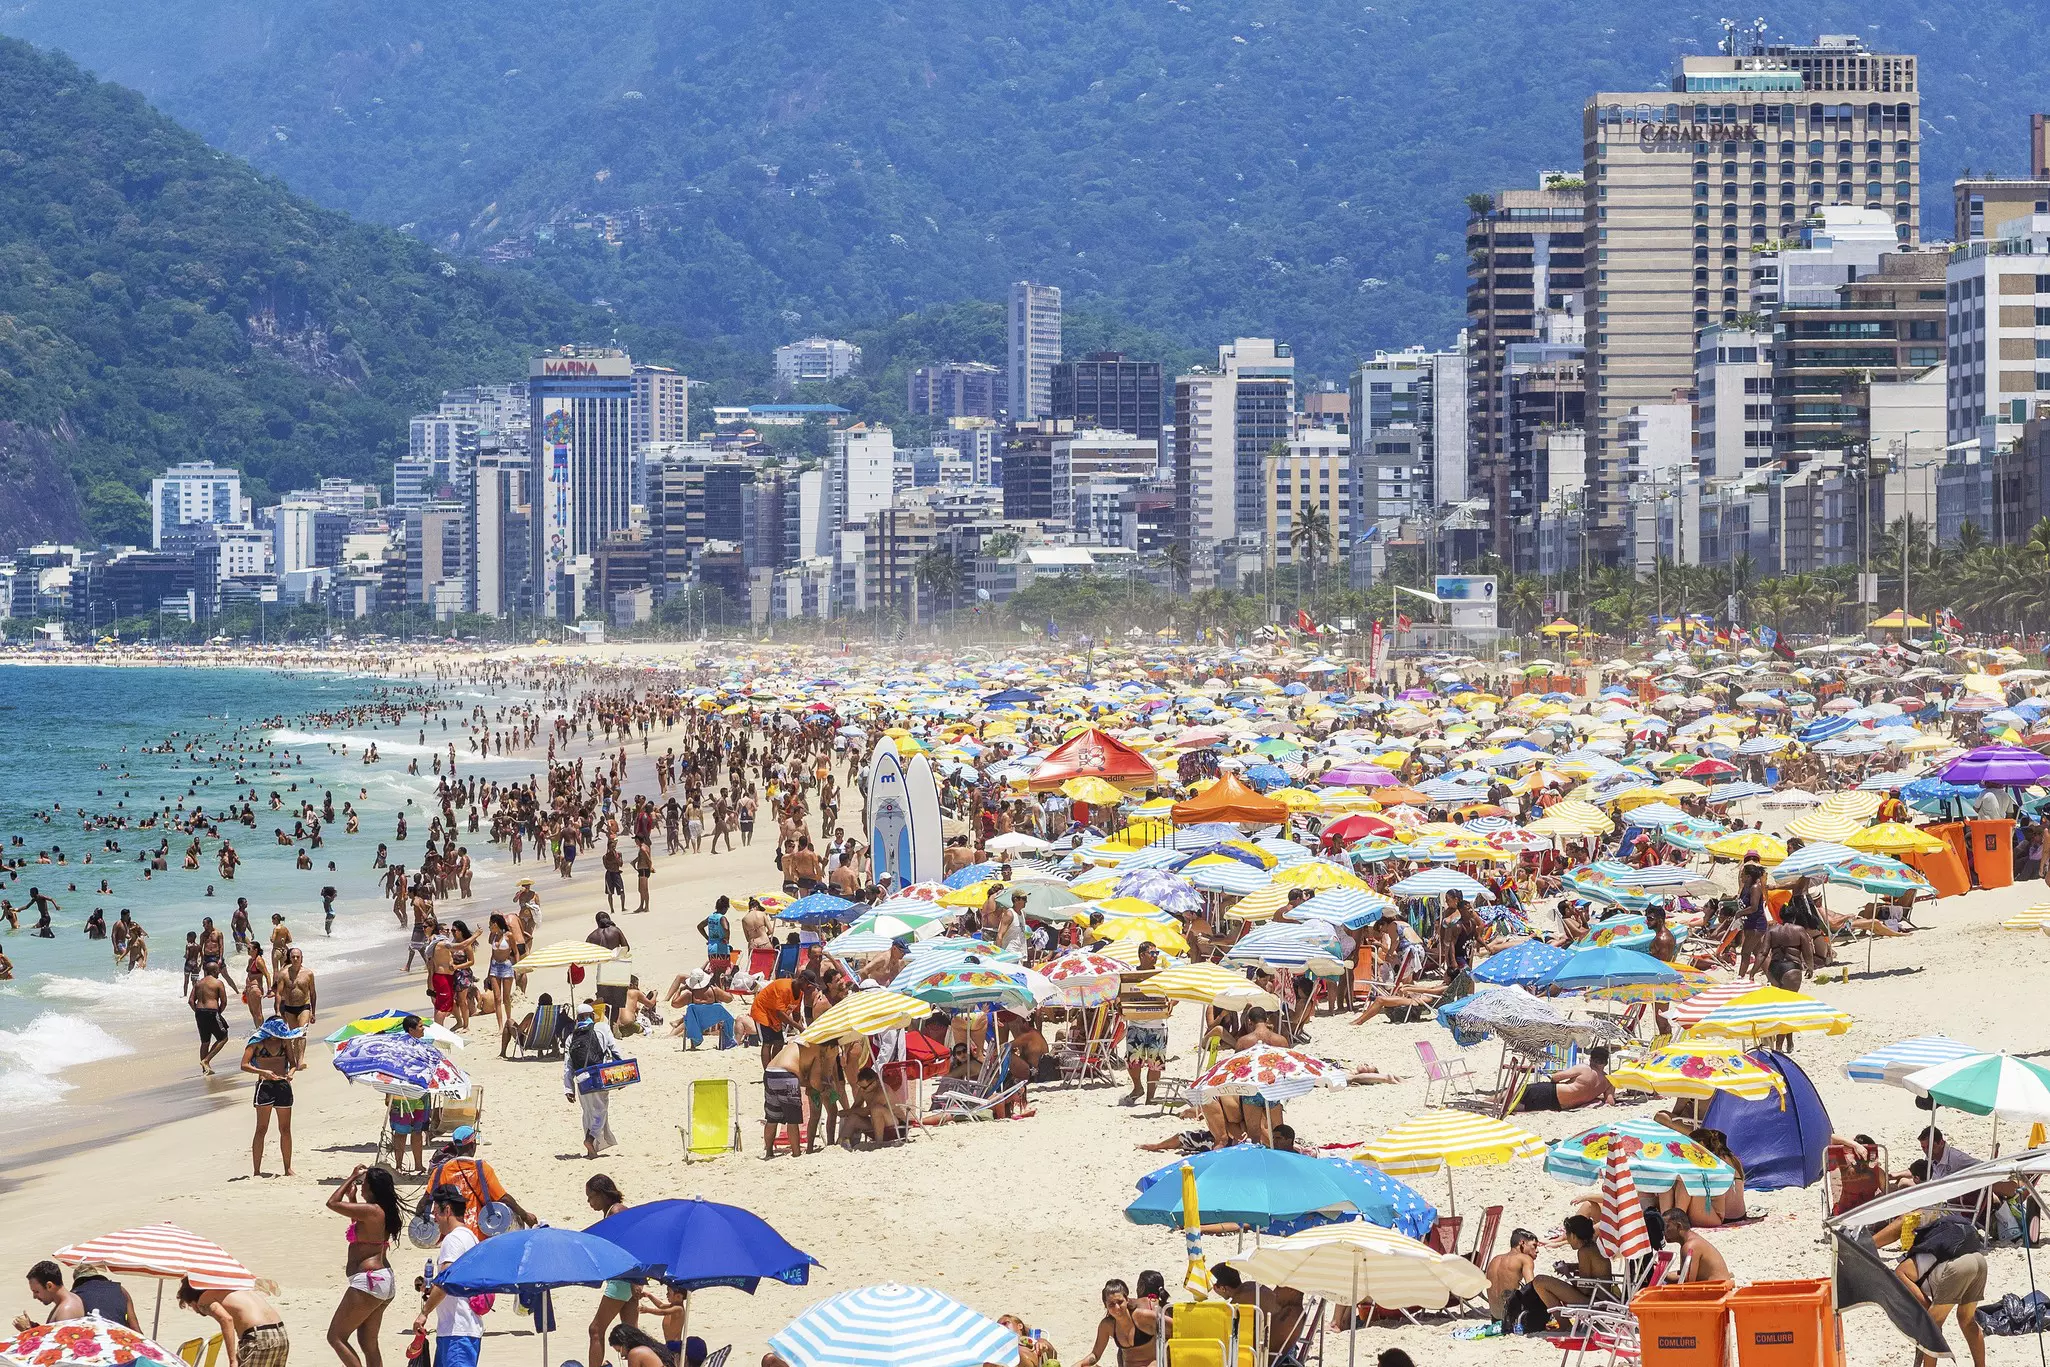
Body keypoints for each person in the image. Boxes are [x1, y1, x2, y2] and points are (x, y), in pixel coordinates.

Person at [1889, 1212, 1989, 1367]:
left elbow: (1902, 1277)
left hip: (1960, 1267)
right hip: (1979, 1260)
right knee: (1966, 1320)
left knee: (1931, 1327)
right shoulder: (1929, 1252)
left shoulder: (1903, 1270)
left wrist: (1928, 1313)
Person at [326, 1165, 402, 1367]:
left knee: (336, 1337)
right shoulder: (381, 1211)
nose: (361, 1187)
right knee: (368, 1343)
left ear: (373, 1188)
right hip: (382, 1280)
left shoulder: (372, 1210)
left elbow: (332, 1203)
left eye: (364, 1183)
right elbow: (362, 1228)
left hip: (369, 1281)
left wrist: (351, 1177)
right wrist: (352, 1200)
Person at [411, 1187, 482, 1367]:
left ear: (447, 1210)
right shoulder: (471, 1237)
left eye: (436, 1212)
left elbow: (445, 1283)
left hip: (457, 1332)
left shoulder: (453, 1240)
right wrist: (429, 1288)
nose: (434, 1218)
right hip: (462, 1329)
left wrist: (423, 1313)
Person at [422, 1127, 537, 1235]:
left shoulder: (440, 1171)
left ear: (455, 1147)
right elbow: (503, 1198)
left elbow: (425, 1201)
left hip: (452, 1233)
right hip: (477, 1232)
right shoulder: (481, 1168)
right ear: (473, 1145)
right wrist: (525, 1216)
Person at [585, 1176, 638, 1367]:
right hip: (629, 1278)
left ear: (601, 1193)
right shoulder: (616, 1210)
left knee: (596, 1330)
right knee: (632, 1336)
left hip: (623, 1279)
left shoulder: (616, 1212)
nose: (589, 1202)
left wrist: (635, 1281)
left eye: (590, 1197)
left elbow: (631, 1247)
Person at [178, 1279, 288, 1367]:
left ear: (191, 1298)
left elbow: (226, 1319)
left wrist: (232, 1360)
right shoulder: (232, 1288)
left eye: (190, 1305)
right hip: (281, 1333)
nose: (194, 1310)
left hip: (259, 1336)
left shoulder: (204, 1300)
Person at [242, 1016, 301, 1176]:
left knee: (285, 1129)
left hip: (282, 1084)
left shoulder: (284, 1041)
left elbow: (293, 1064)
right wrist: (263, 1072)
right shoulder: (256, 1042)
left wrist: (290, 1073)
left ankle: (287, 1168)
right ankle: (256, 1170)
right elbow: (244, 1065)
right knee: (261, 1128)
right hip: (265, 1085)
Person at [564, 1002, 621, 1158]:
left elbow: (568, 1065)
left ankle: (592, 1151)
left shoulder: (571, 1036)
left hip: (580, 1078)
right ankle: (590, 1140)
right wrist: (620, 1075)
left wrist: (569, 1089)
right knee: (601, 1111)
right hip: (598, 1075)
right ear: (592, 1016)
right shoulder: (602, 1028)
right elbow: (614, 1049)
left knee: (588, 1113)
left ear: (577, 1018)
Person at [1118, 944, 1172, 1107]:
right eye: (1152, 953)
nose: (1155, 956)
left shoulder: (1162, 975)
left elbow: (1175, 993)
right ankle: (1138, 1087)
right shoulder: (1131, 975)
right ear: (1142, 955)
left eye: (1157, 953)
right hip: (1136, 1024)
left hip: (1158, 1025)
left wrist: (1171, 1004)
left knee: (1155, 1064)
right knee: (1133, 1061)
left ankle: (1150, 1098)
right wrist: (1120, 1005)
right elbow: (1121, 994)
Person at [1530, 1216, 1612, 1316]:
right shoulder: (1594, 1247)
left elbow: (1584, 1289)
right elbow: (1593, 1270)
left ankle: (1564, 1325)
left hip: (1595, 1302)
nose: (1568, 1240)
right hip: (1602, 1298)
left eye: (1567, 1236)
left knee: (1540, 1281)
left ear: (1573, 1235)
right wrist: (1571, 1267)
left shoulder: (1584, 1252)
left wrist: (1566, 1273)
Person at [1073, 1279, 1158, 1367]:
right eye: (1111, 1304)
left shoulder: (1142, 1316)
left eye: (1120, 1302)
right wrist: (1080, 1364)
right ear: (1106, 1306)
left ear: (1127, 1299)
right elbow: (1096, 1354)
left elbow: (1173, 1327)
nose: (1117, 1307)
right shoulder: (1107, 1326)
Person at [1515, 1046, 1613, 1112]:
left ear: (1591, 1059)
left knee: (1516, 1092)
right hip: (1560, 1106)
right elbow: (1610, 1102)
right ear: (1606, 1063)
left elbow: (1554, 1078)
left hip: (1553, 1093)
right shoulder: (1608, 1081)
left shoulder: (1584, 1068)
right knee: (1521, 1106)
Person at [1484, 1228, 1540, 1323]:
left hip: (1495, 1318)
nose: (1537, 1250)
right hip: (1513, 1319)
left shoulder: (1494, 1260)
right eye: (1534, 1246)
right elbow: (1531, 1288)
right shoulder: (1525, 1259)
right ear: (1522, 1243)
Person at [1661, 1208, 1730, 1283]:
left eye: (1666, 1227)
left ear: (1679, 1226)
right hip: (1719, 1286)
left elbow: (1686, 1281)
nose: (1664, 1231)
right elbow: (1683, 1273)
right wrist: (1664, 1273)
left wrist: (1662, 1275)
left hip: (1716, 1290)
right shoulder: (1691, 1241)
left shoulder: (1690, 1246)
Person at [190, 958, 233, 1075]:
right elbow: (224, 1001)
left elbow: (190, 1001)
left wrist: (198, 1012)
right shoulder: (218, 983)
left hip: (199, 1012)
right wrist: (218, 1013)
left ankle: (205, 1069)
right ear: (214, 971)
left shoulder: (198, 983)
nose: (219, 972)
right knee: (223, 1037)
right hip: (212, 1012)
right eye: (218, 970)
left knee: (205, 1041)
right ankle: (206, 1060)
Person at [13, 1261, 83, 1330]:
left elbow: (61, 1340)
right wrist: (34, 1327)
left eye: (36, 1291)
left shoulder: (66, 1311)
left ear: (49, 1286)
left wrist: (27, 1329)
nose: (34, 1297)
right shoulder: (67, 1301)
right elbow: (52, 1334)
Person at [67, 1264, 137, 1328]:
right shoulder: (121, 1289)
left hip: (91, 1338)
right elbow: (135, 1327)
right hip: (118, 1336)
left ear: (77, 1281)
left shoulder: (73, 1295)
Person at [608, 1326, 674, 1367]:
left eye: (620, 1351)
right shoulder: (650, 1349)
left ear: (624, 1344)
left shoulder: (635, 1353)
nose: (622, 1355)